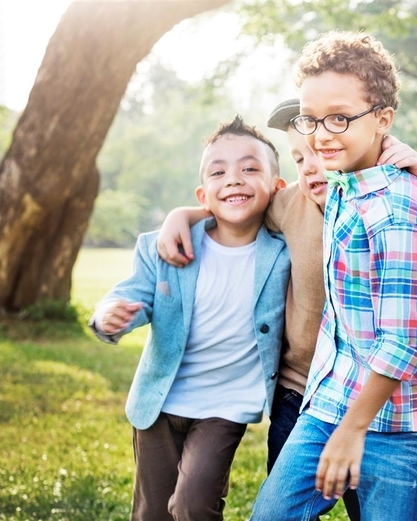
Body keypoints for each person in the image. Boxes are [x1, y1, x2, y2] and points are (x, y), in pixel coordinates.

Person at [156, 97, 417, 521]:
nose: (309, 166)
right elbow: (238, 206)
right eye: (297, 157)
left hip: (382, 397)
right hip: (303, 396)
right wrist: (184, 213)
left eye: (318, 154)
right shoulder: (290, 206)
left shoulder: (390, 205)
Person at [248, 30, 417, 521]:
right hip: (329, 398)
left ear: (383, 119)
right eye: (311, 119)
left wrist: (352, 429)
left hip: (398, 424)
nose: (320, 135)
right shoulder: (342, 186)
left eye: (339, 118)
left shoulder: (400, 206)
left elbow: (403, 339)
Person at [88, 116, 289, 521]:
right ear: (204, 194)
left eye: (250, 169)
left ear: (277, 188)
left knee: (193, 505)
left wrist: (186, 212)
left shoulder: (284, 253)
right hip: (160, 401)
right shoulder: (164, 246)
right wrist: (111, 315)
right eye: (219, 172)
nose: (234, 179)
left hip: (225, 406)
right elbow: (133, 293)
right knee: (152, 513)